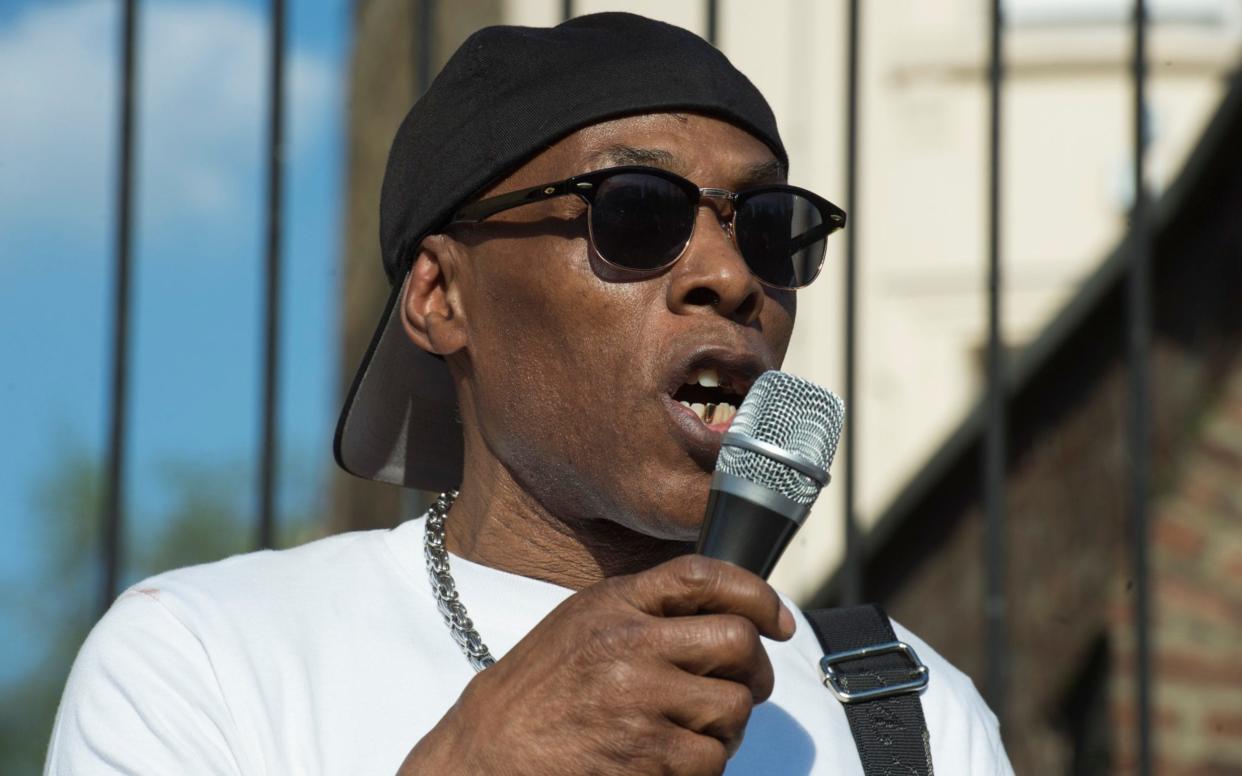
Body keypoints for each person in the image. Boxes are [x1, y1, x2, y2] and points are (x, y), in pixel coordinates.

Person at [46, 13, 1013, 775]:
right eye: (637, 212)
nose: (727, 273)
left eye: (767, 227)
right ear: (441, 296)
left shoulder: (908, 718)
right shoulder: (209, 663)